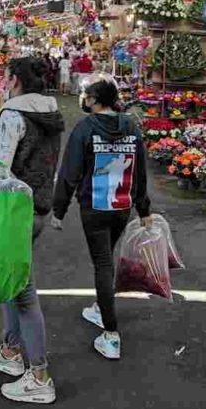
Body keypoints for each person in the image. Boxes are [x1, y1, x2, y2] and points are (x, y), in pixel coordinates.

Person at [0, 57, 64, 404]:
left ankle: (39, 375)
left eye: (5, 76)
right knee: (13, 282)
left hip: (15, 211)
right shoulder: (51, 113)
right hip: (38, 205)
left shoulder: (13, 115)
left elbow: (0, 167)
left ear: (13, 81)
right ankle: (12, 351)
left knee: (23, 291)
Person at [52, 76, 152, 361]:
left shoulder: (85, 129)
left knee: (103, 264)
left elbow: (70, 172)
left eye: (86, 95)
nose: (83, 98)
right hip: (122, 208)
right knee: (106, 257)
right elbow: (140, 173)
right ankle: (100, 306)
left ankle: (111, 333)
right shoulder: (131, 127)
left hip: (94, 209)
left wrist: (58, 210)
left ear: (94, 100)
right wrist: (143, 209)